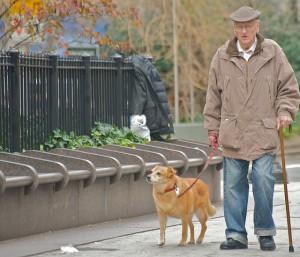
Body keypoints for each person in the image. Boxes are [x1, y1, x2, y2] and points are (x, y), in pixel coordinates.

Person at [203, 6, 300, 251]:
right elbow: (213, 96)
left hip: (263, 131)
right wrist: (212, 129)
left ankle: (265, 232)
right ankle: (236, 234)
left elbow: (288, 88)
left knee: (263, 180)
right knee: (233, 185)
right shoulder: (221, 56)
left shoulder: (273, 52)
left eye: (248, 26)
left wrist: (285, 112)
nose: (244, 31)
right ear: (234, 28)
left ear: (257, 26)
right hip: (232, 131)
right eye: (239, 26)